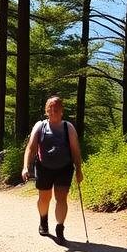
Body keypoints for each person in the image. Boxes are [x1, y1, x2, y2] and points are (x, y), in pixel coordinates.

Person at [22, 95, 84, 244]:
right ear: (46, 110)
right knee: (44, 198)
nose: (53, 111)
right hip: (44, 167)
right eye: (51, 108)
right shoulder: (40, 126)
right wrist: (26, 167)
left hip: (64, 167)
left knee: (61, 198)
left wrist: (79, 169)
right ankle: (43, 221)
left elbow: (76, 150)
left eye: (56, 108)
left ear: (61, 110)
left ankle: (60, 228)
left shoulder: (68, 127)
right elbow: (30, 148)